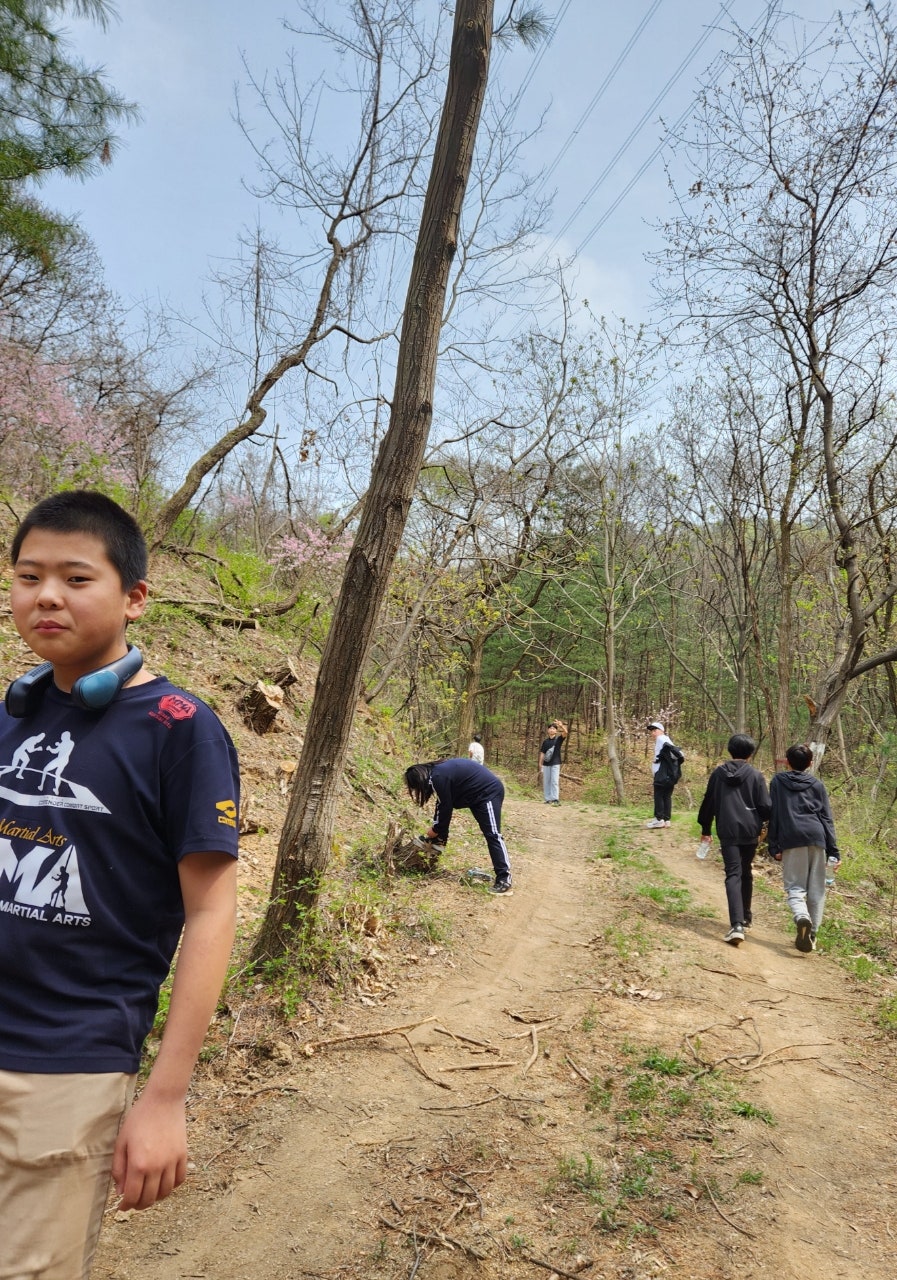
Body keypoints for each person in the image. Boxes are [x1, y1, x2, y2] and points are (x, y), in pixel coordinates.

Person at [0, 490, 240, 1277]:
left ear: (135, 598)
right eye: (28, 576)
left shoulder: (179, 729)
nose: (46, 596)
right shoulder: (14, 717)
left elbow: (210, 914)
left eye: (75, 577)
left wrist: (165, 1097)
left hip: (65, 1064)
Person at [696, 734, 771, 946]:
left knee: (733, 873)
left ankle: (737, 924)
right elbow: (765, 807)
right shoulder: (756, 776)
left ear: (730, 751)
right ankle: (745, 918)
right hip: (750, 830)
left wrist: (706, 828)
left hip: (727, 830)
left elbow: (709, 801)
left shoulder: (718, 774)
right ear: (750, 753)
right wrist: (766, 820)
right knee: (745, 871)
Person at [767, 742, 840, 953]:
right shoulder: (817, 785)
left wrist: (774, 845)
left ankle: (801, 916)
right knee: (817, 889)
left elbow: (775, 814)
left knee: (795, 887)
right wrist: (834, 851)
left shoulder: (778, 781)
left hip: (792, 837)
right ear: (810, 763)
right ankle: (812, 934)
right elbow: (827, 818)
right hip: (817, 837)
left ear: (787, 762)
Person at [405, 758, 512, 894]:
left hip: (488, 792)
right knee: (490, 834)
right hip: (475, 796)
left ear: (419, 780)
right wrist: (439, 832)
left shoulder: (437, 777)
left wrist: (435, 830)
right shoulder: (437, 774)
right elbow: (442, 804)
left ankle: (504, 878)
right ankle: (440, 839)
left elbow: (446, 807)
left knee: (493, 834)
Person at [646, 721, 684, 828]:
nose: (653, 733)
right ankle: (666, 819)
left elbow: (664, 754)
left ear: (661, 730)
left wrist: (657, 760)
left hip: (662, 773)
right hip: (671, 774)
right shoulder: (668, 740)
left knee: (658, 795)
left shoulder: (661, 739)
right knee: (667, 796)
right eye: (651, 731)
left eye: (655, 730)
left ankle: (659, 819)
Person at [538, 718, 567, 804]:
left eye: (554, 728)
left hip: (555, 763)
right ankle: (548, 799)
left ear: (556, 731)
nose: (551, 730)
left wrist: (561, 725)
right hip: (546, 764)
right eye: (550, 728)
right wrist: (540, 763)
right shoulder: (545, 742)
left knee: (554, 781)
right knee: (546, 781)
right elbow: (542, 753)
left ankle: (555, 799)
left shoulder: (558, 739)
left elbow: (566, 733)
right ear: (548, 730)